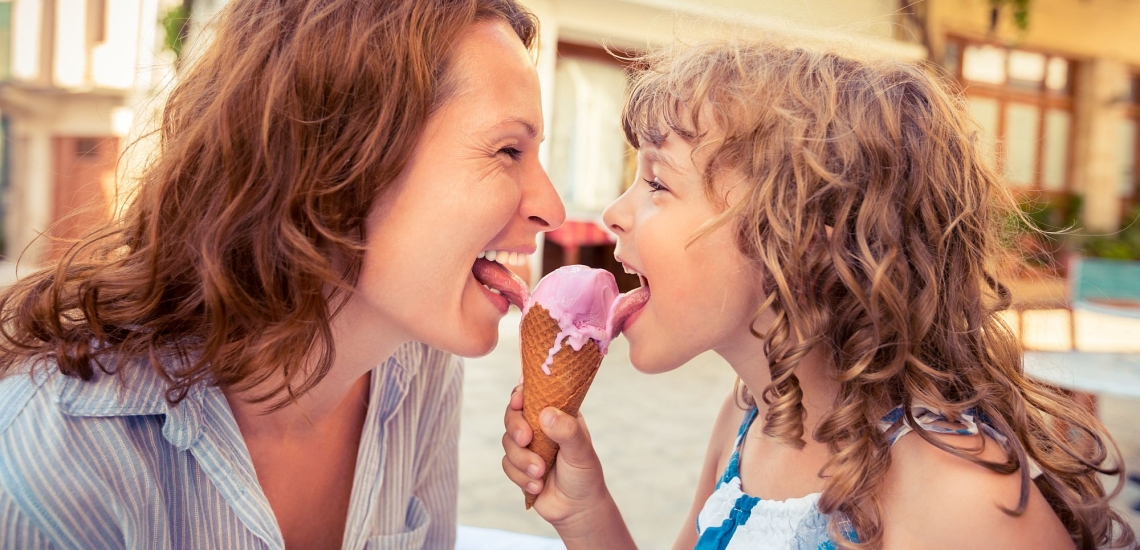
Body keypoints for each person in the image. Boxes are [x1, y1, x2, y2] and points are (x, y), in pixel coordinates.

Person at [501, 39, 1136, 549]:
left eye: (658, 184)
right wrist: (587, 517)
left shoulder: (957, 493)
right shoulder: (751, 420)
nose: (613, 212)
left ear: (807, 243)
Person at [0, 0, 564, 548]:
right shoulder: (54, 455)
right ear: (341, 159)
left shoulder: (419, 364)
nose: (551, 208)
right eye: (508, 150)